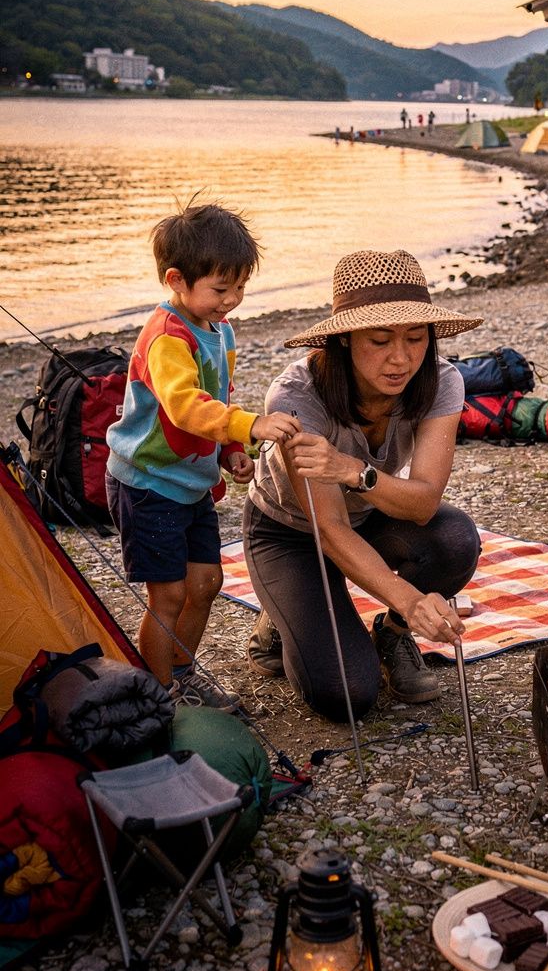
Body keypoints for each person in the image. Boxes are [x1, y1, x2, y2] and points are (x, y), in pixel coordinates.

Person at [243, 249, 483, 721]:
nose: (401, 358)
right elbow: (329, 529)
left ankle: (391, 636)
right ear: (344, 341)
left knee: (455, 539)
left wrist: (354, 471)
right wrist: (414, 602)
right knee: (347, 695)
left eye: (416, 338)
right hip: (290, 532)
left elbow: (423, 503)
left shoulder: (442, 381)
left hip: (371, 515)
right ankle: (282, 615)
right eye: (379, 340)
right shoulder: (295, 398)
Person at [106, 201, 298, 705]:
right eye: (220, 288)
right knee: (167, 595)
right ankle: (158, 691)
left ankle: (181, 676)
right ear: (176, 280)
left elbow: (218, 396)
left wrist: (231, 447)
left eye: (240, 287)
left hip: (189, 483)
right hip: (147, 484)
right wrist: (251, 426)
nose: (231, 300)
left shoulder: (219, 329)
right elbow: (186, 407)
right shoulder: (167, 337)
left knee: (207, 582)